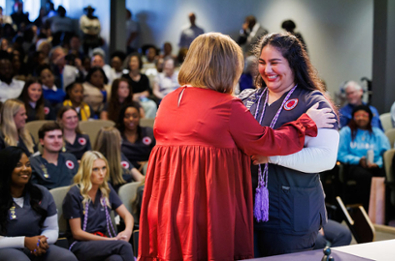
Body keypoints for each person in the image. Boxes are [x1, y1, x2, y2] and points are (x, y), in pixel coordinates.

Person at [138, 33, 332, 261]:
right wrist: (307, 123)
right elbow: (268, 142)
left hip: (168, 207)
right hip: (208, 209)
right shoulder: (227, 106)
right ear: (227, 67)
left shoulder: (169, 101)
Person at [239, 33, 338, 256]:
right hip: (247, 210)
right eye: (262, 63)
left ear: (293, 63)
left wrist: (273, 156)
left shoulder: (315, 103)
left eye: (275, 63)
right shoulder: (248, 99)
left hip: (292, 213)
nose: (267, 70)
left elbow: (325, 158)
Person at [0, 147, 77, 261]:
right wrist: (25, 242)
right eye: (18, 165)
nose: (25, 169)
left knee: (67, 257)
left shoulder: (41, 193)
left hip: (37, 245)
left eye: (28, 165)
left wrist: (41, 241)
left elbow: (52, 229)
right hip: (6, 248)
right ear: (6, 168)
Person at [62, 151, 135, 261]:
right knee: (124, 246)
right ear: (86, 171)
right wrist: (112, 241)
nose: (101, 173)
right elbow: (77, 233)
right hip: (81, 245)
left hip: (103, 242)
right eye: (95, 169)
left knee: (116, 259)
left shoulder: (106, 189)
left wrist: (127, 232)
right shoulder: (74, 194)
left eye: (104, 168)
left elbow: (127, 215)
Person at [338, 105, 391, 210]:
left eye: (364, 115)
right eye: (358, 115)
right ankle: (367, 210)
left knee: (385, 176)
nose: (361, 118)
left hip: (375, 164)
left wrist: (378, 163)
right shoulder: (346, 132)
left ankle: (384, 212)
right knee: (365, 177)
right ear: (353, 117)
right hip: (354, 166)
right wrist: (359, 160)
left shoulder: (377, 133)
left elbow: (386, 153)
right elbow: (340, 154)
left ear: (370, 117)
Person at [29, 122, 79, 190]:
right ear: (42, 141)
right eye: (51, 137)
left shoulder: (70, 158)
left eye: (59, 137)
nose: (56, 140)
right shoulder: (34, 163)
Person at [94, 127, 144, 192]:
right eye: (119, 140)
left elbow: (139, 177)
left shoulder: (120, 155)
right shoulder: (99, 164)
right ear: (113, 144)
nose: (121, 143)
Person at [117, 104, 155, 168]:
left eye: (135, 116)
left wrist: (147, 162)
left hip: (145, 167)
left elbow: (158, 153)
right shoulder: (116, 134)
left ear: (139, 118)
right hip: (123, 167)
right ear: (122, 118)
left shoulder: (148, 132)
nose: (131, 119)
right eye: (127, 116)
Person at [123, 52, 157, 118]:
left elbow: (147, 92)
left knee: (152, 105)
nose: (133, 63)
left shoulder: (144, 77)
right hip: (129, 100)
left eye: (135, 61)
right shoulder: (125, 77)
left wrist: (137, 96)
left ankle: (146, 125)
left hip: (142, 100)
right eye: (131, 61)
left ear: (139, 63)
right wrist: (132, 96)